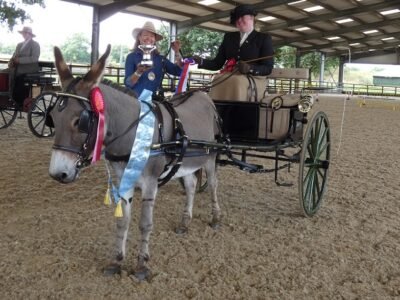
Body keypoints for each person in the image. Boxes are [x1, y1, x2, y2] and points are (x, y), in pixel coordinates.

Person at [193, 4, 274, 102]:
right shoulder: (229, 37)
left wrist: (250, 68)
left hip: (254, 78)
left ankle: (237, 112)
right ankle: (217, 112)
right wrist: (201, 61)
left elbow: (268, 68)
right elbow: (217, 63)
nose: (239, 20)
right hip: (231, 76)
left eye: (242, 17)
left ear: (252, 17)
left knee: (236, 81)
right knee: (217, 78)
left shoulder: (264, 38)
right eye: (236, 18)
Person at [124, 21, 183, 98]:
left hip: (154, 101)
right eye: (145, 35)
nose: (149, 38)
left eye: (152, 36)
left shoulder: (161, 59)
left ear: (155, 39)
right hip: (135, 101)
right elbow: (128, 83)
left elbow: (179, 71)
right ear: (139, 37)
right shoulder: (131, 57)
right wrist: (138, 72)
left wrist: (177, 51)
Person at [7, 26, 40, 109]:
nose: (23, 35)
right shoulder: (19, 45)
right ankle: (8, 96)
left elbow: (35, 58)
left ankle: (21, 102)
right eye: (23, 33)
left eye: (25, 33)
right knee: (5, 73)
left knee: (20, 79)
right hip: (17, 69)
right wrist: (11, 62)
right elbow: (14, 56)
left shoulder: (35, 44)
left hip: (29, 69)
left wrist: (20, 60)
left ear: (30, 34)